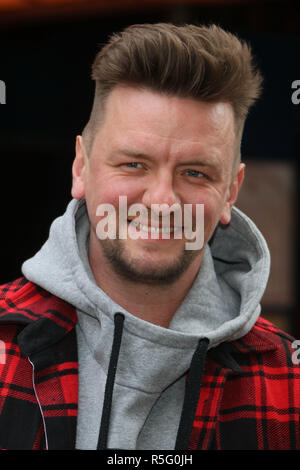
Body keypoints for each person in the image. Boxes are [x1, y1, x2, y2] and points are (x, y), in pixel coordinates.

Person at [0, 22, 299, 451]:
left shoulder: (287, 385)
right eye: (134, 165)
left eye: (195, 172)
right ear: (80, 168)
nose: (162, 202)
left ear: (232, 189)